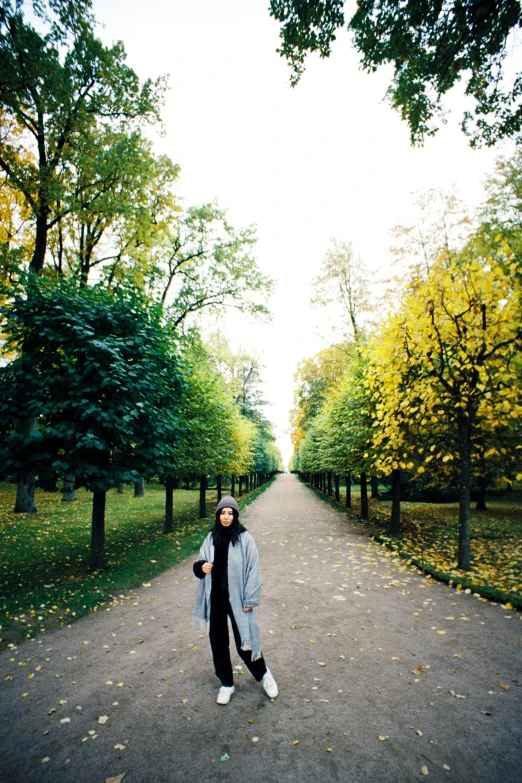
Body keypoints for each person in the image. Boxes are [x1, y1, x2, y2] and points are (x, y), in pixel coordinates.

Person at [193, 495, 278, 705]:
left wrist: (250, 598)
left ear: (236, 515)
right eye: (222, 512)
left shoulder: (244, 538)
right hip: (216, 598)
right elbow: (199, 563)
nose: (226, 517)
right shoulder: (211, 537)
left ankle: (264, 674)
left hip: (238, 599)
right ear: (218, 515)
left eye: (230, 513)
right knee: (218, 641)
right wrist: (201, 567)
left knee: (245, 641)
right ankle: (226, 684)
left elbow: (254, 569)